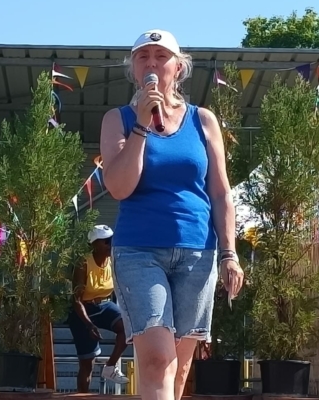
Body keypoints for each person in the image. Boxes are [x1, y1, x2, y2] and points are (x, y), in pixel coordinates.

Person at [99, 29, 244, 400]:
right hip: (139, 251)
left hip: (198, 252)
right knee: (156, 360)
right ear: (133, 68)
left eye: (161, 56)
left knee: (178, 369)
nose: (152, 63)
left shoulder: (203, 120)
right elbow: (119, 187)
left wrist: (229, 253)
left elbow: (220, 192)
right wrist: (141, 126)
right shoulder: (118, 119)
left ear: (178, 67)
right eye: (143, 56)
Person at [67, 224, 129, 392]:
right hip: (82, 310)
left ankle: (110, 367)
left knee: (127, 328)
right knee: (87, 364)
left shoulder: (113, 260)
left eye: (112, 240)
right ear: (94, 244)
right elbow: (76, 300)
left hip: (104, 304)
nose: (110, 244)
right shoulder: (83, 263)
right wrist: (89, 325)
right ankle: (83, 395)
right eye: (106, 241)